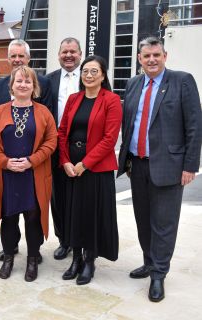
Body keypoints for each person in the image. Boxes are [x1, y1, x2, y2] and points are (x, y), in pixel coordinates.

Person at [117, 37, 202, 302]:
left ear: (165, 55)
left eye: (156, 54)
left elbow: (194, 126)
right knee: (143, 221)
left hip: (169, 166)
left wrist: (190, 165)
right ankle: (148, 261)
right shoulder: (132, 84)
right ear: (139, 59)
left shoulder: (182, 81)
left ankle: (159, 275)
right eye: (146, 56)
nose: (151, 60)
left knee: (163, 224)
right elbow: (129, 123)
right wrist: (127, 160)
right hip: (138, 164)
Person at [0, 65, 56, 281]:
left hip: (33, 175)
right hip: (7, 175)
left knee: (33, 218)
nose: (23, 84)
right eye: (19, 81)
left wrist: (31, 161)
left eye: (28, 81)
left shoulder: (43, 112)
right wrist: (4, 161)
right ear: (12, 86)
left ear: (34, 86)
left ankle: (33, 259)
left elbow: (52, 141)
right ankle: (8, 258)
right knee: (8, 218)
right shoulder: (0, 111)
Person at [58, 55, 122, 285]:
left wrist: (84, 164)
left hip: (95, 168)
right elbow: (62, 132)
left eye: (94, 71)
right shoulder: (74, 99)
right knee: (73, 213)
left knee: (91, 215)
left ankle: (89, 261)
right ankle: (75, 258)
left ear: (103, 75)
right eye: (85, 71)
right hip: (71, 166)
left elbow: (109, 139)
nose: (89, 75)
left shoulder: (111, 100)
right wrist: (65, 161)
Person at [46, 37, 83, 260]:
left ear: (80, 54)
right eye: (64, 52)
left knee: (81, 196)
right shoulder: (48, 80)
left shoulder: (90, 78)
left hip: (82, 148)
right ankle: (64, 240)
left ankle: (81, 239)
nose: (68, 55)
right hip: (55, 146)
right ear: (58, 55)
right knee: (58, 197)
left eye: (73, 51)